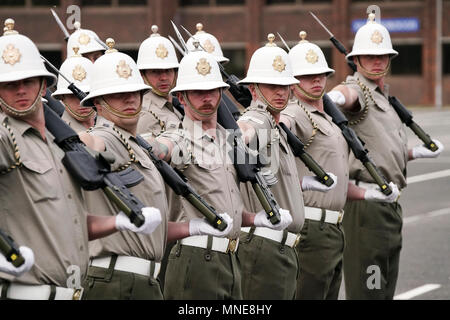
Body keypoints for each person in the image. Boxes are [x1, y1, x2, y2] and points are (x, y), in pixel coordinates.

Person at [0, 19, 156, 300]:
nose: (20, 90)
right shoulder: (6, 137)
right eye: (9, 84)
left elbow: (70, 225)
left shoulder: (55, 144)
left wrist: (118, 223)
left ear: (44, 86)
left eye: (27, 81)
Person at [76, 39, 232, 300]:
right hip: (114, 281)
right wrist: (72, 142)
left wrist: (192, 227)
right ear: (99, 103)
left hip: (145, 280)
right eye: (117, 94)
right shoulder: (106, 136)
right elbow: (90, 141)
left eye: (133, 93)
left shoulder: (138, 147)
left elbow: (152, 230)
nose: (128, 100)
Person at [155, 46, 292, 300]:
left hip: (231, 258)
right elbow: (163, 147)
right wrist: (152, 148)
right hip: (195, 261)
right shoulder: (181, 136)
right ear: (182, 98)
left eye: (211, 91)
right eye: (198, 92)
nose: (206, 98)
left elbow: (227, 207)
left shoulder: (229, 141)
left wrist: (255, 219)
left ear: (220, 94)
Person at [327, 13, 443, 300]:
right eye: (369, 56)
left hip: (388, 204)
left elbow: (380, 151)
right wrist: (336, 99)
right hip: (367, 206)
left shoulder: (382, 96)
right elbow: (346, 96)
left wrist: (413, 153)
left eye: (382, 56)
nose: (377, 62)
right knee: (370, 286)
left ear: (389, 59)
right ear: (357, 60)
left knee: (384, 285)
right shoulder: (360, 91)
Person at [280, 31, 399, 300]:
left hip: (334, 228)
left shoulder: (325, 118)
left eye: (320, 75)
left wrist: (367, 193)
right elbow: (280, 125)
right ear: (292, 81)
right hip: (311, 227)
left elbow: (336, 179)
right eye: (307, 77)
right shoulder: (295, 111)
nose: (316, 81)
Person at [235, 34, 334, 300]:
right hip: (264, 247)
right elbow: (246, 128)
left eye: (284, 86)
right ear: (253, 89)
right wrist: (236, 136)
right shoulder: (259, 119)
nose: (280, 93)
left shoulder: (276, 127)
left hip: (282, 249)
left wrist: (300, 184)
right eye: (271, 86)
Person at [51, 46, 95, 131]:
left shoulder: (109, 124)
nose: (82, 101)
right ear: (62, 98)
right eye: (73, 95)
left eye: (87, 94)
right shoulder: (58, 131)